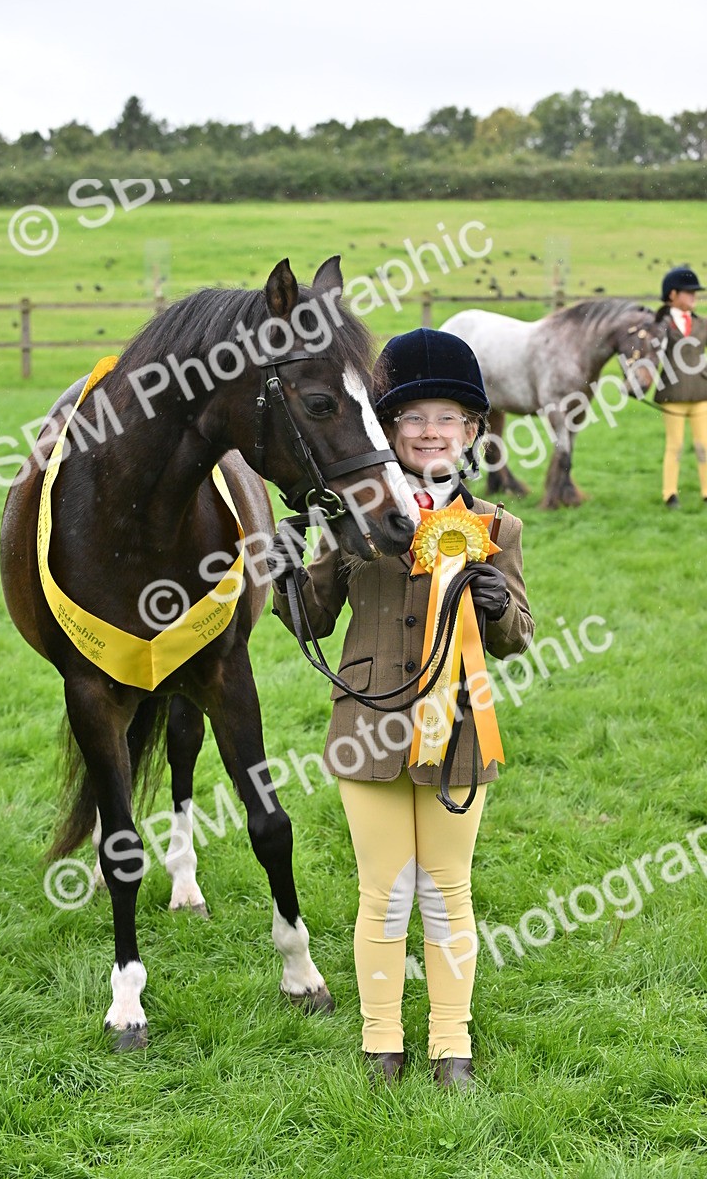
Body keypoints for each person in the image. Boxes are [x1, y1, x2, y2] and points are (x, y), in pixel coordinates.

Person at [267, 329, 534, 1092]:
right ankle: (381, 1042)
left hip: (461, 726)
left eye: (446, 418)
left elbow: (518, 632)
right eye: (412, 419)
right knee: (383, 890)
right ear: (388, 431)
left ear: (473, 431)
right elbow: (314, 618)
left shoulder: (498, 527)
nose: (428, 432)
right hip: (367, 726)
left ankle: (453, 1046)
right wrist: (291, 572)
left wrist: (498, 608)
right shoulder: (355, 518)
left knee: (448, 888)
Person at [654, 266, 707, 508]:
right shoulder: (661, 325)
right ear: (673, 294)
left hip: (701, 392)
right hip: (674, 394)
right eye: (689, 292)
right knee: (674, 445)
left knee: (703, 446)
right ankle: (670, 493)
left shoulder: (702, 324)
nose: (694, 297)